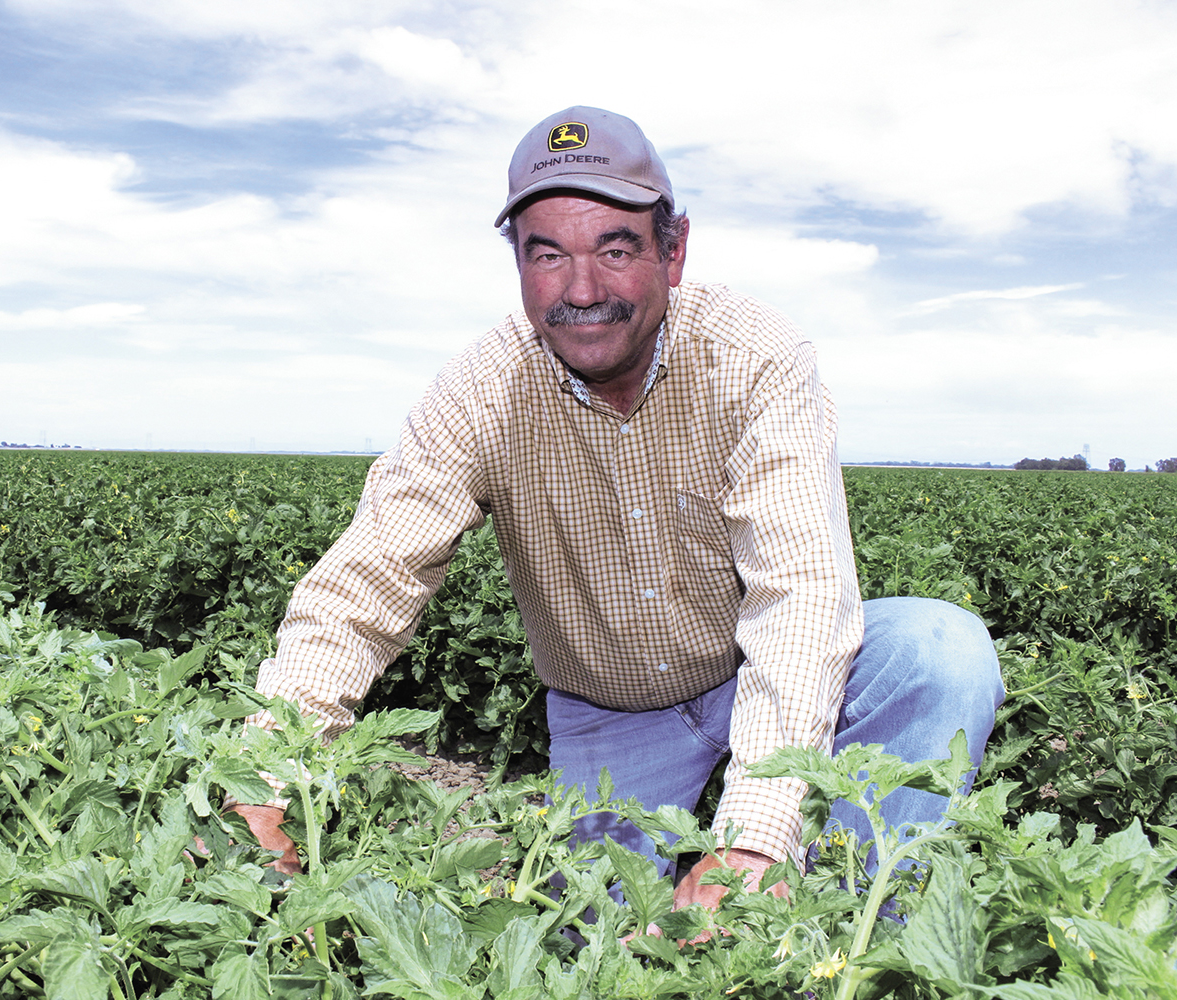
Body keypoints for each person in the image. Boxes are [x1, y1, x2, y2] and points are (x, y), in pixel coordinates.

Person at [228, 106, 1004, 914]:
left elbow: (801, 592)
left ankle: (851, 925)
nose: (582, 289)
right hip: (613, 712)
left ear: (674, 253)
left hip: (751, 674)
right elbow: (367, 582)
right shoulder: (478, 394)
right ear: (519, 266)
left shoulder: (755, 358)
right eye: (548, 254)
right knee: (586, 934)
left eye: (616, 248)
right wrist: (265, 772)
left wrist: (755, 839)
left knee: (937, 651)